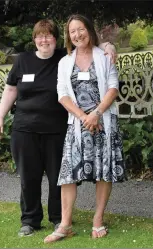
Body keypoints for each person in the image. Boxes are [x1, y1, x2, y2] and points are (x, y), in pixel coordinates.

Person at [0, 18, 117, 237]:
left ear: (56, 38)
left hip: (57, 128)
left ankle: (58, 219)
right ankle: (30, 220)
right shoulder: (23, 60)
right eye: (39, 36)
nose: (44, 40)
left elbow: (90, 46)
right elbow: (11, 90)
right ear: (34, 40)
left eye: (48, 35)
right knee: (28, 176)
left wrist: (109, 45)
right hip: (25, 129)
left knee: (57, 177)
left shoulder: (63, 56)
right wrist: (0, 117)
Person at [44, 14, 126, 243]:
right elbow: (62, 94)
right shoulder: (64, 62)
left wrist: (96, 114)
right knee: (68, 174)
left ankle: (98, 220)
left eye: (81, 29)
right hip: (78, 124)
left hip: (102, 123)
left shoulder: (104, 56)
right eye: (72, 31)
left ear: (88, 30)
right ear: (68, 36)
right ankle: (65, 225)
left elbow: (112, 87)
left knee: (103, 172)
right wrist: (83, 117)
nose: (77, 34)